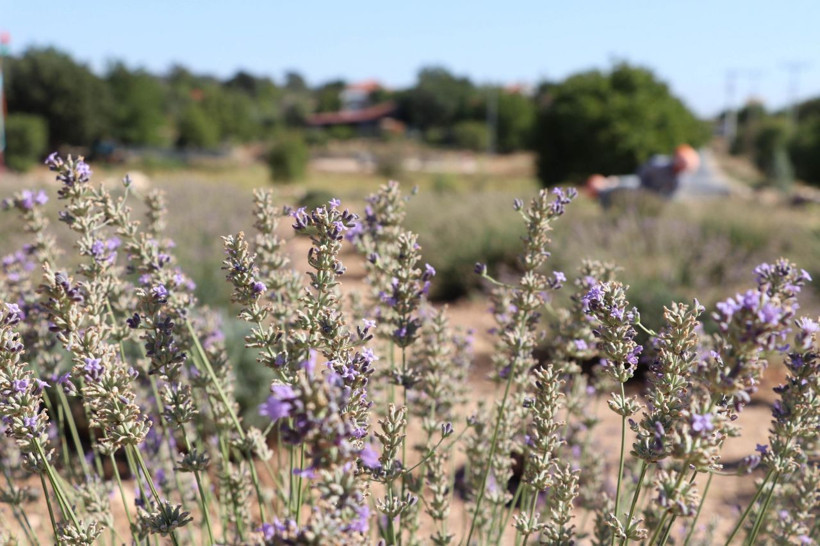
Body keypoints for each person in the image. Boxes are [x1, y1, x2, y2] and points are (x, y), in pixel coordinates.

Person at [586, 144, 701, 200]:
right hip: (639, 184)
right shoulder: (659, 163)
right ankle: (599, 188)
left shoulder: (679, 180)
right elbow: (641, 172)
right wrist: (642, 186)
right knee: (621, 184)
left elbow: (669, 197)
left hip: (649, 197)